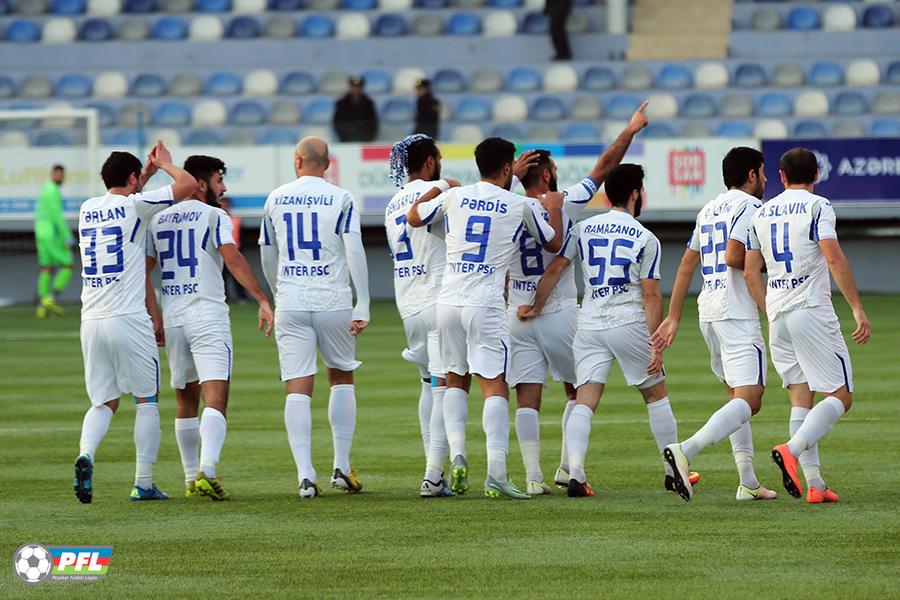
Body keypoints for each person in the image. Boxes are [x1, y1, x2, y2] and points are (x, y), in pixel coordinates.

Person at [519, 164, 689, 498]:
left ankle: (576, 473)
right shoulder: (645, 237)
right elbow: (651, 295)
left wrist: (536, 306)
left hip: (590, 322)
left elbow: (555, 270)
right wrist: (656, 345)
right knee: (656, 394)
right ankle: (674, 472)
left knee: (585, 399)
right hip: (628, 320)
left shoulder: (583, 228)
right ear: (635, 193)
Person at [406, 137, 562, 500]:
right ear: (508, 169)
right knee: (493, 385)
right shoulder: (520, 204)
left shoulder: (455, 196)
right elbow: (552, 242)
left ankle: (458, 453)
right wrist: (554, 206)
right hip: (486, 303)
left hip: (448, 301)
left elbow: (413, 216)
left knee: (454, 380)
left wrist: (441, 186)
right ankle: (496, 472)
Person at [508, 103, 650, 495]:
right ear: (548, 175)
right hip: (558, 310)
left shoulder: (508, 206)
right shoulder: (565, 201)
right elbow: (605, 167)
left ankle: (533, 478)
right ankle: (569, 467)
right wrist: (630, 129)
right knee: (578, 391)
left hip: (516, 311)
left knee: (527, 397)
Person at [72, 141, 198, 504]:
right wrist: (166, 165)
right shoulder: (136, 206)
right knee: (146, 400)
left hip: (91, 320)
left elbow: (127, 194)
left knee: (103, 402)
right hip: (127, 317)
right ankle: (143, 483)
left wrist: (143, 175)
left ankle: (86, 453)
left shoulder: (87, 208)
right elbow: (188, 185)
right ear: (131, 178)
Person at [744, 147, 870, 504]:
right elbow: (833, 257)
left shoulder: (760, 213)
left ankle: (814, 483)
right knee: (841, 395)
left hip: (778, 313)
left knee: (801, 396)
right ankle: (792, 449)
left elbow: (751, 272)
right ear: (817, 174)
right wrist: (857, 308)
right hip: (810, 309)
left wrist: (769, 310)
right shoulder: (818, 206)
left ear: (781, 177)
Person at [652, 147, 777, 502]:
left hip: (708, 308)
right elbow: (734, 256)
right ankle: (685, 450)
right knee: (751, 399)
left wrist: (674, 316)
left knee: (736, 398)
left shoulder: (708, 209)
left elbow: (686, 265)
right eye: (762, 172)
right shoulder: (751, 206)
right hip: (736, 310)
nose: (765, 179)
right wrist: (773, 268)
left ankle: (748, 481)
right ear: (751, 175)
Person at [146, 155, 274, 501]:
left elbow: (144, 271)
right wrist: (262, 299)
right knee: (216, 397)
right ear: (201, 184)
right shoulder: (215, 216)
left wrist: (155, 315)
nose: (224, 187)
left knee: (185, 400)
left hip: (174, 317)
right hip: (207, 315)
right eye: (219, 180)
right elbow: (232, 258)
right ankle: (208, 470)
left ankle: (190, 479)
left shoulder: (158, 219)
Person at [259, 137, 371, 499]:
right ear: (328, 163)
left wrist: (278, 291)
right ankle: (341, 466)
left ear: (297, 160)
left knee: (297, 385)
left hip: (291, 298)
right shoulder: (341, 197)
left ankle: (305, 475)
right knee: (341, 376)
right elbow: (354, 249)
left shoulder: (276, 197)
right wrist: (363, 301)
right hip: (332, 298)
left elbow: (267, 253)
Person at [385, 134, 458, 497]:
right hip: (437, 296)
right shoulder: (438, 193)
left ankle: (435, 471)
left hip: (407, 302)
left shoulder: (391, 203)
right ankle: (432, 475)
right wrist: (447, 185)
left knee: (428, 384)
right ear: (430, 162)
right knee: (443, 386)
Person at [34, 164, 73, 318]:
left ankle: (42, 307)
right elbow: (56, 216)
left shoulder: (45, 189)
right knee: (68, 265)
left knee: (47, 268)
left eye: (61, 175)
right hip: (51, 233)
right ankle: (50, 298)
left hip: (40, 231)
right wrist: (67, 235)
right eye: (58, 174)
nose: (60, 177)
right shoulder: (54, 191)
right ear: (52, 175)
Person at [219, 197, 249, 302]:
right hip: (222, 252)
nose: (224, 207)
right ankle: (224, 297)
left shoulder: (235, 219)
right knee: (222, 276)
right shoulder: (217, 219)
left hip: (236, 250)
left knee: (238, 275)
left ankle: (242, 297)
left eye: (226, 205)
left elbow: (241, 235)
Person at [333, 76, 378, 143]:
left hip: (364, 138)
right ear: (350, 87)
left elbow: (373, 122)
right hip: (346, 138)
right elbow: (337, 122)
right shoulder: (341, 103)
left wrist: (368, 138)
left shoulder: (368, 103)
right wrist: (344, 137)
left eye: (358, 87)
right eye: (354, 87)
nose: (356, 89)